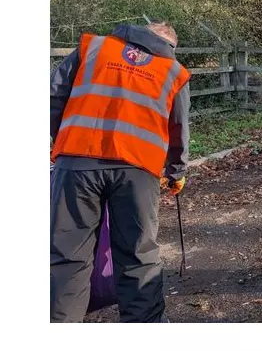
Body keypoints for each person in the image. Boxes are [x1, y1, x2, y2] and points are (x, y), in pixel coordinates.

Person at [50, 20, 191, 322]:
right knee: (138, 257)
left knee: (67, 258)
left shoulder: (94, 48)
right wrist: (176, 172)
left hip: (76, 162)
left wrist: (61, 139)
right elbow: (179, 127)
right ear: (169, 45)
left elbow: (54, 94)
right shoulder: (172, 70)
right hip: (138, 170)